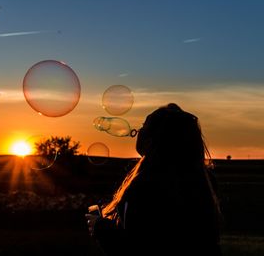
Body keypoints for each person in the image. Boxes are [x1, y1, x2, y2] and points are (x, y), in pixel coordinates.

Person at [85, 103, 222, 256]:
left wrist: (101, 228)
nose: (139, 130)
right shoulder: (200, 180)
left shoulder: (148, 184)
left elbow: (140, 248)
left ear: (155, 138)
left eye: (145, 125)